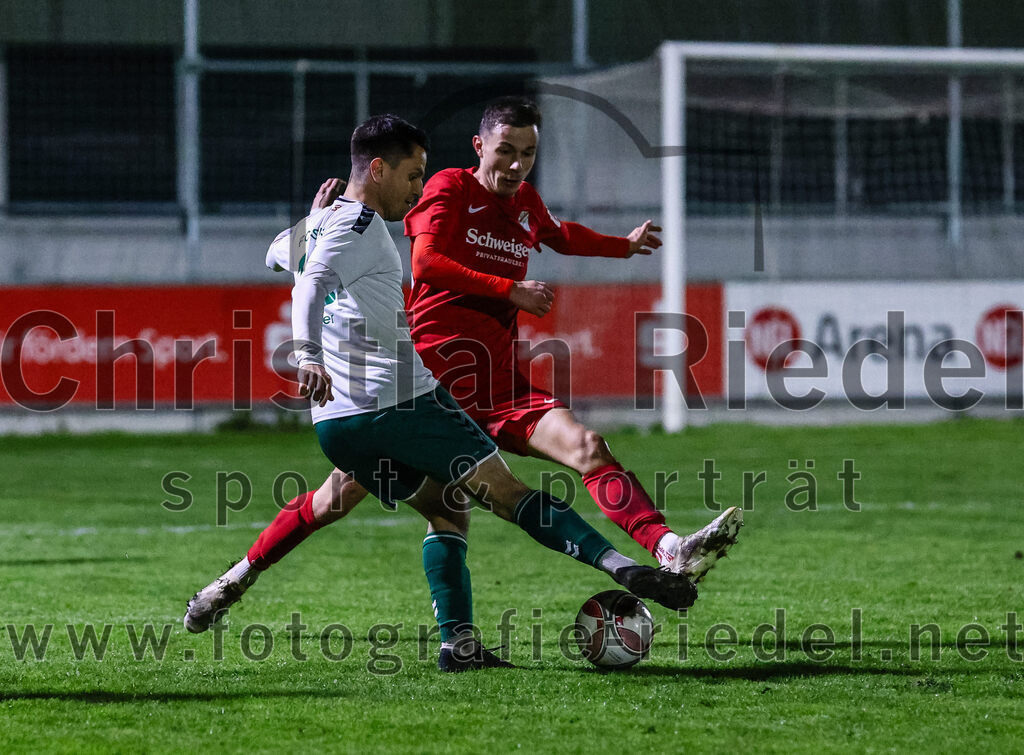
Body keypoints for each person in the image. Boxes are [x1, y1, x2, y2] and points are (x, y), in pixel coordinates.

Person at [183, 114, 698, 672]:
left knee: (431, 507)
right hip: (404, 402)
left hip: (335, 424)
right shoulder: (362, 229)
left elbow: (280, 257)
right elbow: (310, 285)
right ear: (377, 170)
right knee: (506, 493)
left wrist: (315, 221)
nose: (418, 188)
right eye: (411, 175)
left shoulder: (321, 228)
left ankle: (235, 581)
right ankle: (623, 567)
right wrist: (305, 353)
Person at [402, 95, 742, 573]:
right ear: (479, 146)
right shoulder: (450, 188)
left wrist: (621, 247)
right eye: (505, 151)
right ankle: (253, 564)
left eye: (529, 153)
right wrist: (510, 290)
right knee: (349, 493)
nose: (518, 165)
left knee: (589, 446)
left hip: (499, 389)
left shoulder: (525, 205)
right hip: (428, 386)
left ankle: (669, 548)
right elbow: (426, 262)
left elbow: (562, 234)